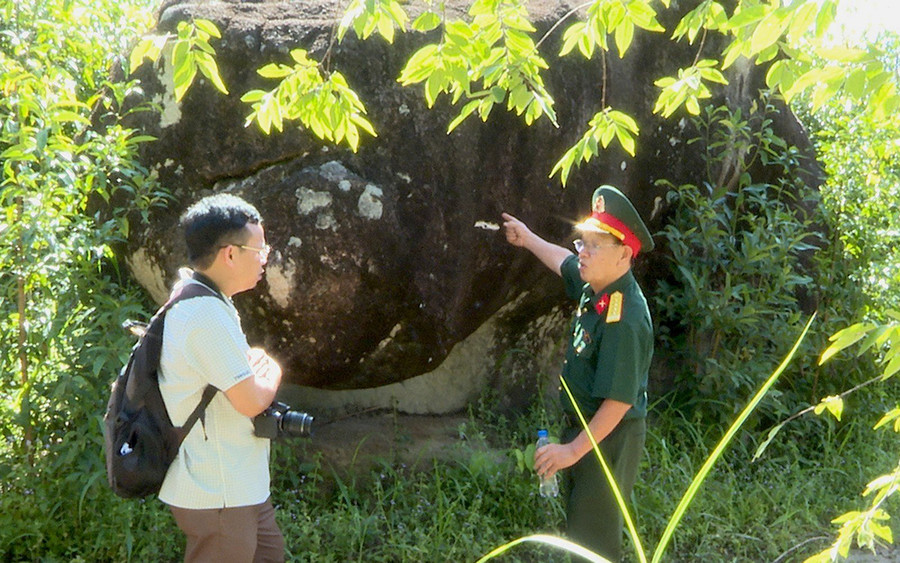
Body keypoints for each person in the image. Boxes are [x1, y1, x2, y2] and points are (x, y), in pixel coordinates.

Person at [502, 185, 655, 562]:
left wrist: (571, 450)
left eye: (593, 246)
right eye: (581, 243)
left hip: (609, 437)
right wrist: (529, 238)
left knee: (594, 545)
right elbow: (561, 262)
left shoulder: (625, 316)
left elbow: (618, 402)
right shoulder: (596, 285)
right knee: (583, 530)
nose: (581, 253)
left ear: (624, 254)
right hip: (587, 429)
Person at [158, 193, 285, 562]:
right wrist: (273, 369)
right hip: (219, 494)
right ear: (230, 254)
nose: (265, 259)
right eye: (259, 250)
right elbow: (249, 400)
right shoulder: (203, 314)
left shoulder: (211, 301)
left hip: (240, 486)